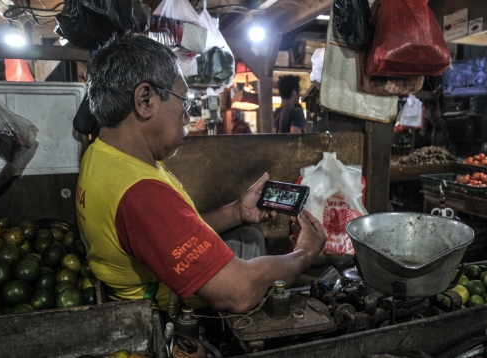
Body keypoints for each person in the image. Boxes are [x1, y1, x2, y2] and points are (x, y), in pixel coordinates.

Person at [76, 32, 327, 314]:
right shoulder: (139, 193)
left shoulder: (103, 154)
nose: (187, 116)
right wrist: (304, 253)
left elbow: (171, 231)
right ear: (144, 99)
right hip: (168, 315)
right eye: (183, 101)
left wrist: (237, 212)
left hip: (159, 282)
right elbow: (238, 292)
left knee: (248, 232)